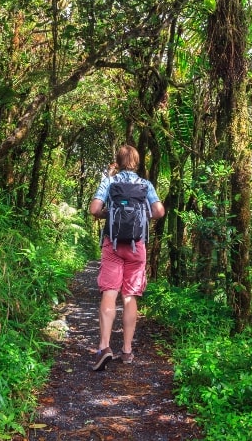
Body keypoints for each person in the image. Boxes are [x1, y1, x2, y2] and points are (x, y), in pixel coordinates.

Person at [88, 145, 165, 371]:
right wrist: (142, 216)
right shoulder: (145, 184)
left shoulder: (110, 182)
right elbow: (160, 211)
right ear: (137, 162)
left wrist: (108, 213)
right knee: (130, 296)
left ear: (118, 161)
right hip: (136, 246)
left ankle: (104, 347)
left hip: (112, 244)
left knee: (110, 292)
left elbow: (94, 209)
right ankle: (127, 351)